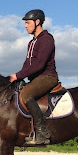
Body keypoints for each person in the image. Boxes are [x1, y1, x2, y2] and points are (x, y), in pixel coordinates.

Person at [9, 9, 58, 145]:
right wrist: (18, 77)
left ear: (37, 22)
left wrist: (18, 75)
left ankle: (42, 132)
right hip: (35, 79)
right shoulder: (31, 43)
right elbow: (27, 65)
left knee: (26, 95)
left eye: (28, 22)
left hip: (47, 77)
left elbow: (39, 64)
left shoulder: (47, 39)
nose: (25, 26)